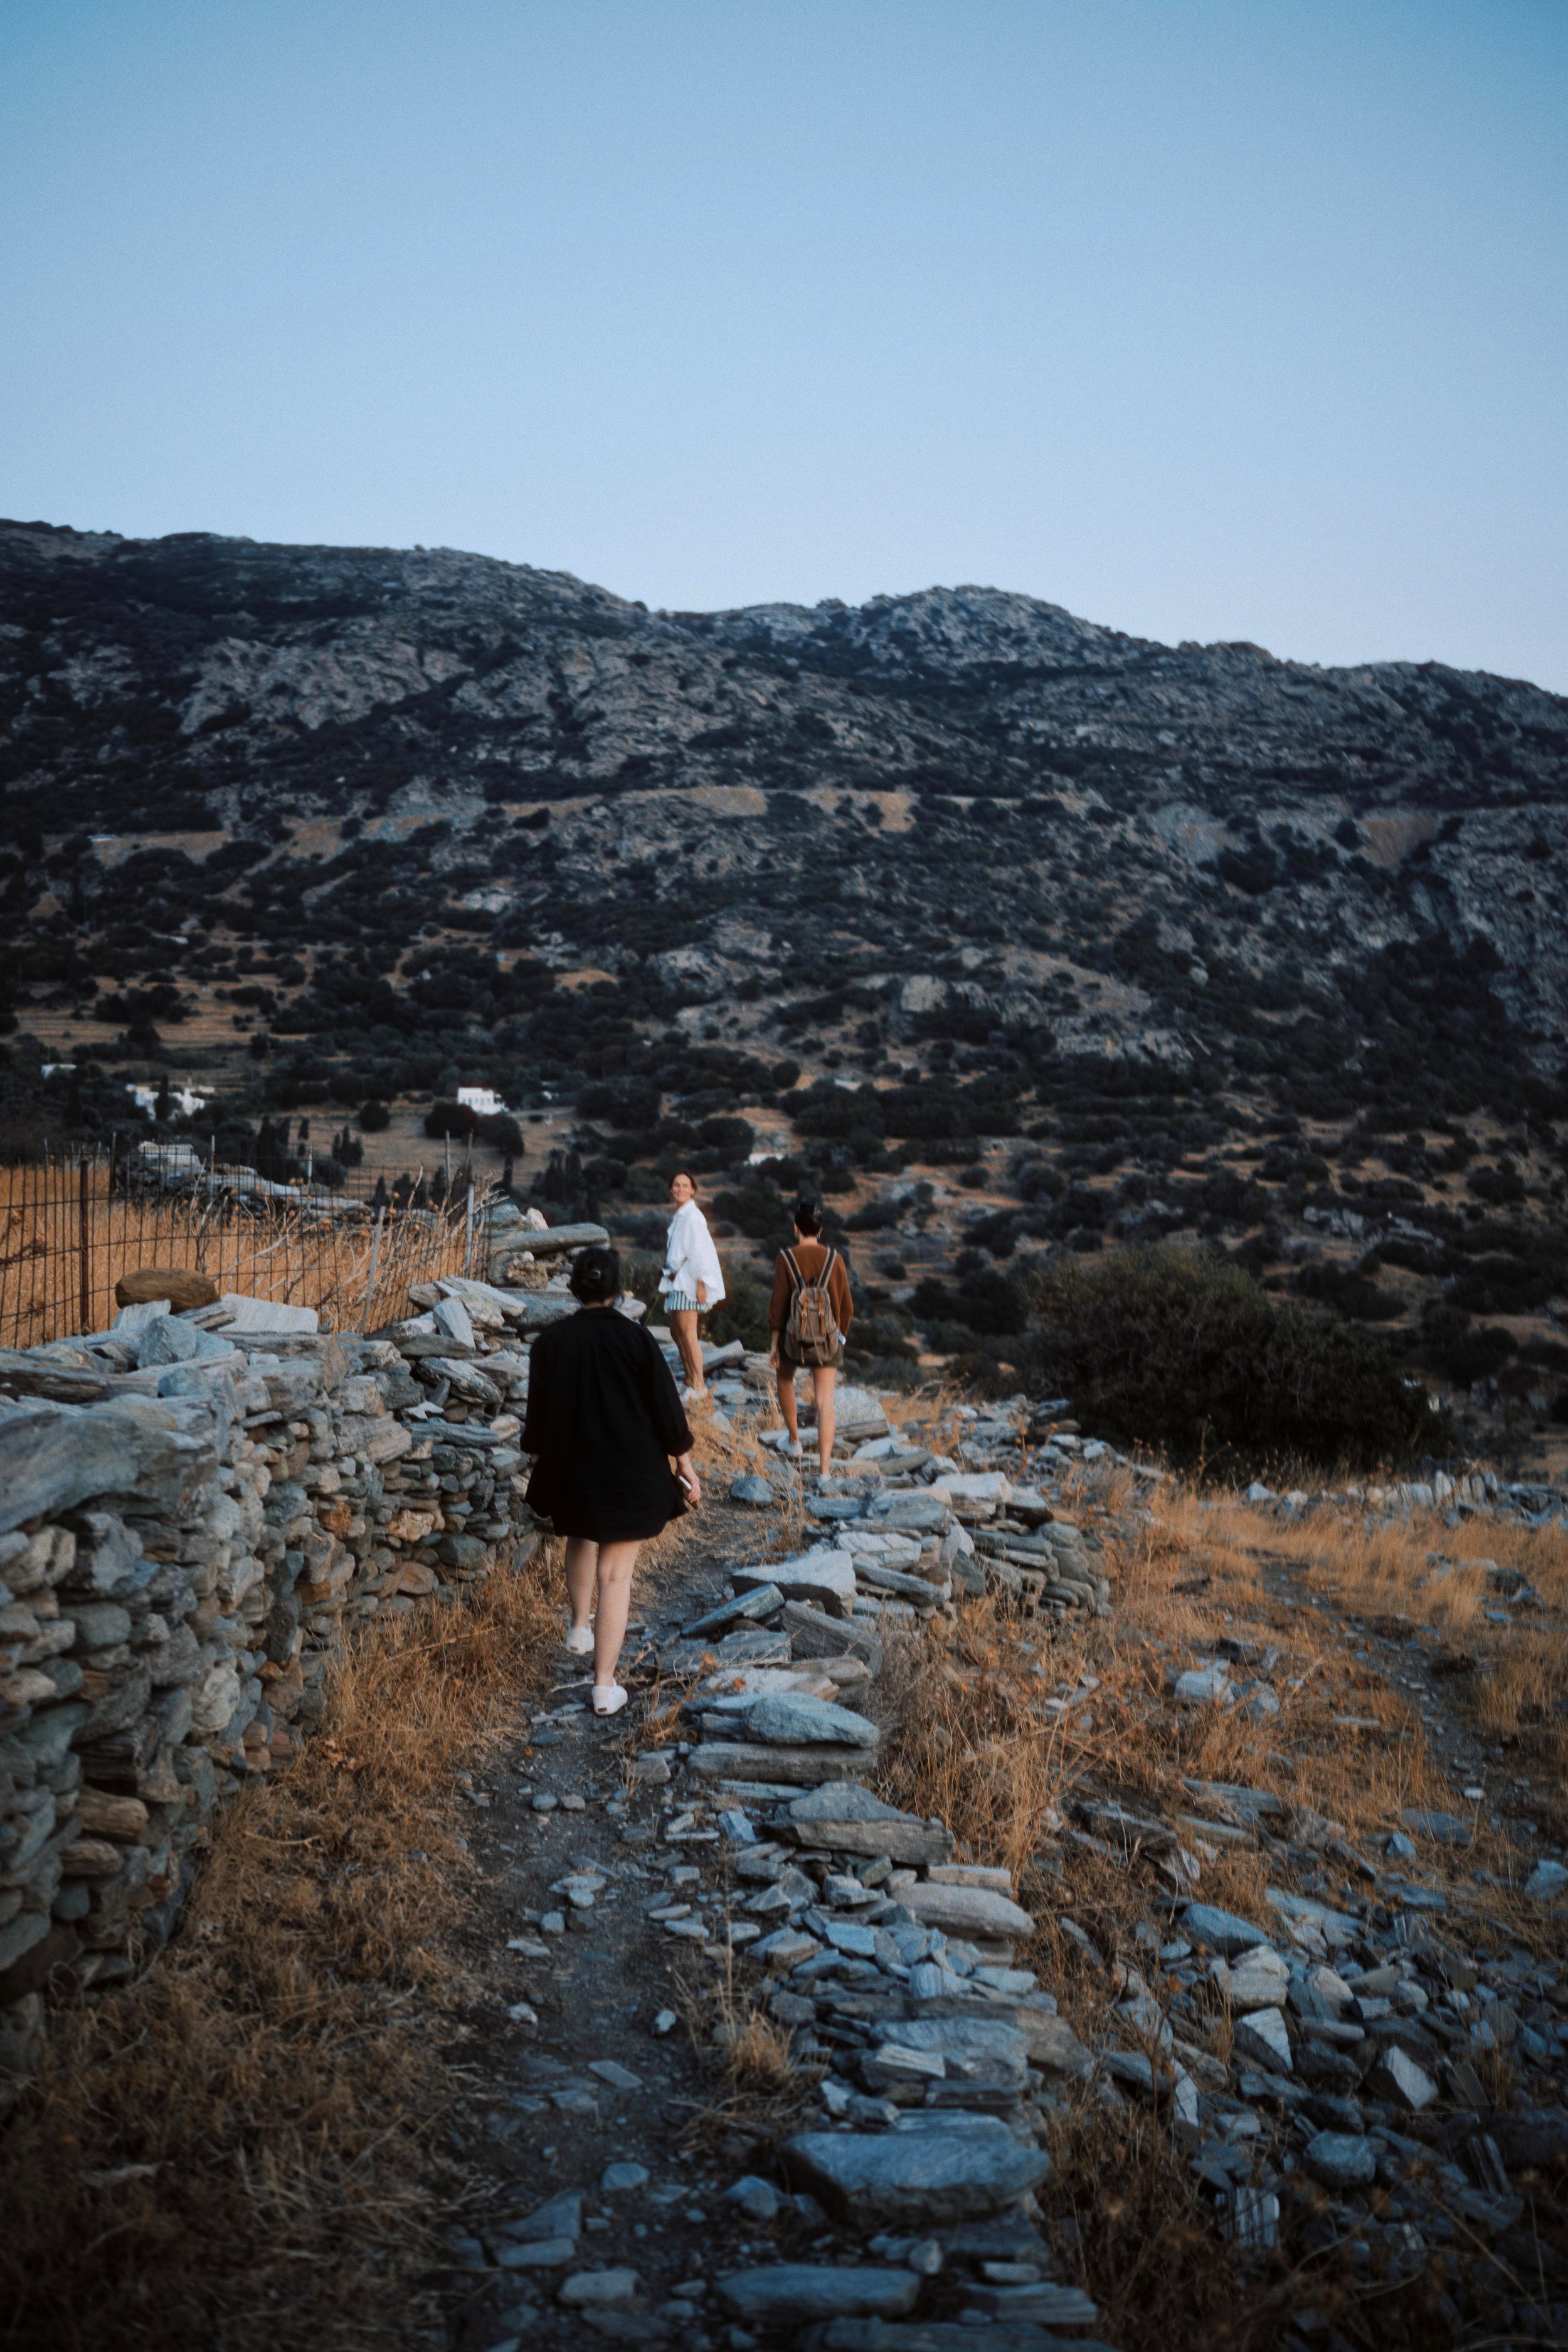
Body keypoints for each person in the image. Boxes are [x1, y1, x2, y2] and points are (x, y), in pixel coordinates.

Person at [522, 1244, 701, 1715]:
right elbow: (667, 1409)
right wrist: (685, 1466)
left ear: (574, 1287)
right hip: (630, 1471)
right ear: (618, 1291)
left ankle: (580, 1626)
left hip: (571, 1469)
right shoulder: (637, 1340)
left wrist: (547, 1462)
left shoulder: (550, 1343)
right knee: (616, 1575)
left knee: (580, 1535)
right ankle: (604, 1686)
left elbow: (536, 1425)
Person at [767, 1197, 854, 1475]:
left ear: (796, 1228)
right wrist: (839, 1336)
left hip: (793, 1338)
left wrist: (774, 1344)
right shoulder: (835, 1258)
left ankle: (794, 1441)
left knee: (784, 1380)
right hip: (827, 1339)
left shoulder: (786, 1257)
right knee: (826, 1402)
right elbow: (847, 1306)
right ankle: (825, 1473)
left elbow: (779, 1305)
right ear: (820, 1231)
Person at [659, 1170, 725, 1399]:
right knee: (676, 1332)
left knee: (688, 1334)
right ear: (671, 1189)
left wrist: (701, 1283)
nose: (680, 1189)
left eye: (685, 1186)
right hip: (676, 1281)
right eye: (676, 1185)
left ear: (693, 1190)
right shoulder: (681, 1216)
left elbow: (700, 1252)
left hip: (689, 1280)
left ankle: (699, 1387)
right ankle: (690, 1380)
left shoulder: (694, 1217)